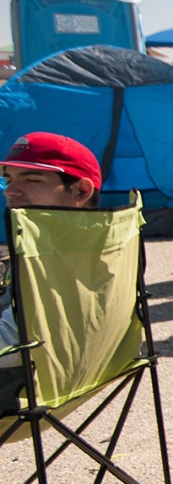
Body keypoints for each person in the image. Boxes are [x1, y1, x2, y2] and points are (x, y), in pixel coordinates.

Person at [1, 134, 103, 388]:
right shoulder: (106, 244)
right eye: (8, 179)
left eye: (32, 179)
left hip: (18, 388)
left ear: (81, 191)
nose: (10, 191)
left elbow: (13, 345)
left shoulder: (55, 258)